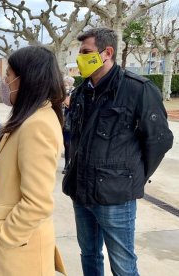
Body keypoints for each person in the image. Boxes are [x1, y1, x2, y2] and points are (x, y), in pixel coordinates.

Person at [63, 28, 174, 276]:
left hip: (116, 197)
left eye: (86, 52)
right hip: (81, 192)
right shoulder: (81, 93)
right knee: (89, 256)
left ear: (107, 53)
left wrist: (133, 177)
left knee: (123, 264)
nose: (80, 58)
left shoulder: (138, 89)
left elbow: (159, 140)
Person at [0, 45, 67, 276]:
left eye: (8, 75)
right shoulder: (32, 117)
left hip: (18, 249)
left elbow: (37, 201)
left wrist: (7, 234)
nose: (5, 82)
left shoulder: (37, 124)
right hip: (16, 246)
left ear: (25, 80)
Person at [62, 75, 75, 174]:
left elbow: (71, 105)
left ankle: (67, 164)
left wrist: (67, 101)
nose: (64, 85)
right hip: (60, 121)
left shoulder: (74, 93)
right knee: (63, 143)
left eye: (66, 84)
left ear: (70, 85)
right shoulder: (60, 93)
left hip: (69, 122)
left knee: (67, 144)